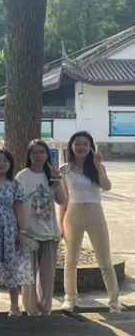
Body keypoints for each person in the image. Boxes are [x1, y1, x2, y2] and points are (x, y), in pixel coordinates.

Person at [59, 131, 120, 313]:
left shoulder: (96, 166)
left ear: (91, 147)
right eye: (77, 143)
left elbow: (107, 187)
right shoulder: (65, 169)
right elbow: (63, 199)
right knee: (71, 259)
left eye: (85, 144)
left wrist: (98, 166)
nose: (81, 147)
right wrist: (60, 223)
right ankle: (70, 298)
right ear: (71, 146)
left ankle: (114, 301)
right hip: (73, 214)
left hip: (95, 214)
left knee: (104, 260)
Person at [0, 149, 33, 316]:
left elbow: (20, 210)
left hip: (9, 229)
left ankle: (14, 305)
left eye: (5, 161)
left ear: (10, 164)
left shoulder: (14, 184)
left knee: (12, 266)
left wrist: (22, 231)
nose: (1, 164)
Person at [17, 139, 66, 316]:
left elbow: (61, 200)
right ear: (29, 155)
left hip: (50, 233)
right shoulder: (22, 176)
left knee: (47, 276)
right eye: (34, 152)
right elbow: (18, 204)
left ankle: (45, 309)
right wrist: (20, 230)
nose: (38, 155)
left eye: (42, 152)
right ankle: (30, 309)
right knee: (28, 275)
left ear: (47, 155)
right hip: (29, 234)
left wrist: (57, 180)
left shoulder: (51, 174)